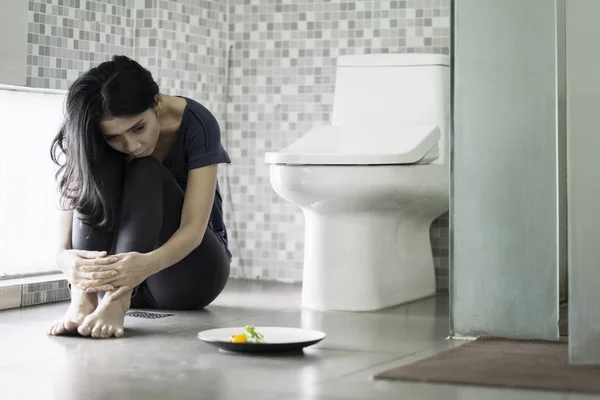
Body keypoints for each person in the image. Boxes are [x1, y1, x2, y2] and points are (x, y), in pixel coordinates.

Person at [47, 55, 232, 339]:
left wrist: (146, 266)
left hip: (187, 276)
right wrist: (63, 259)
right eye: (114, 137)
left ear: (156, 102)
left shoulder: (197, 123)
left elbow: (194, 228)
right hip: (116, 277)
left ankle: (118, 301)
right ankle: (83, 303)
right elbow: (73, 202)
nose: (132, 145)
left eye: (138, 128)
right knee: (95, 168)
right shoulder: (96, 134)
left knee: (145, 169)